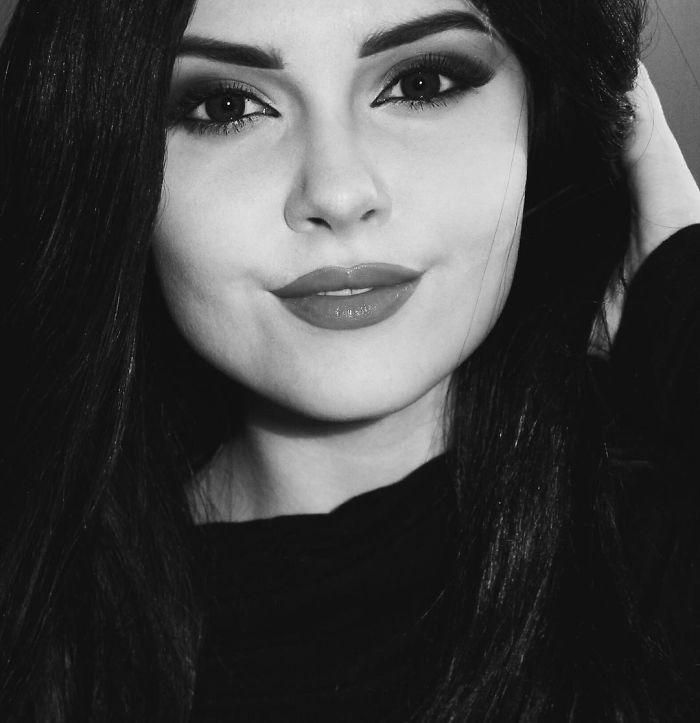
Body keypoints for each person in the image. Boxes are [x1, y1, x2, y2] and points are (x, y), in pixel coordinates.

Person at [0, 0, 698, 720]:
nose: (337, 193)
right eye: (226, 105)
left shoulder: (665, 542)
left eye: (422, 83)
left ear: (541, 115)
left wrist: (678, 293)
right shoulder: (33, 632)